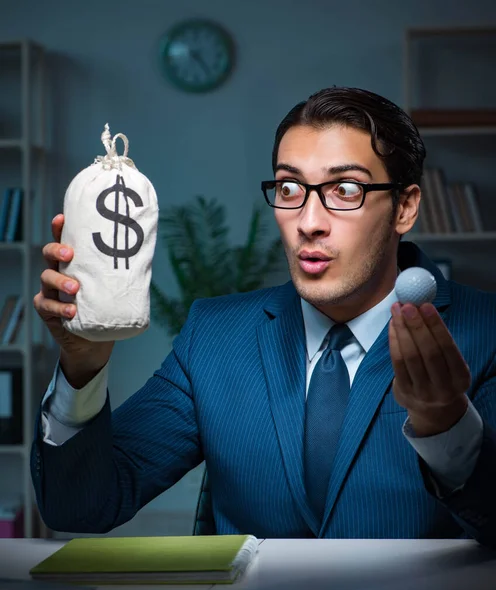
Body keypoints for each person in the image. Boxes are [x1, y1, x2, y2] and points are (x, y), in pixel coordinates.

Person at [31, 87, 496, 545]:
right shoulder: (215, 337)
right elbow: (81, 507)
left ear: (405, 207)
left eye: (345, 189)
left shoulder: (486, 331)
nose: (309, 221)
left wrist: (447, 425)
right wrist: (82, 366)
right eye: (290, 187)